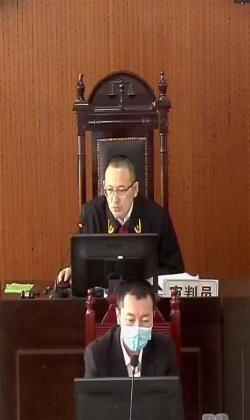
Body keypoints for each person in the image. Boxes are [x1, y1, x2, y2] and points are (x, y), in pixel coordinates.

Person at [56, 155, 185, 284]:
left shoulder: (157, 217)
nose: (114, 199)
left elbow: (175, 270)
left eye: (121, 190)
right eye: (110, 190)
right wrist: (72, 270)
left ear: (135, 189)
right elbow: (80, 262)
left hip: (142, 293)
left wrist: (142, 277)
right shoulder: (90, 214)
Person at [83, 279, 178, 378]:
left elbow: (171, 388)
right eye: (130, 320)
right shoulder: (96, 354)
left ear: (153, 316)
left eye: (145, 320)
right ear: (118, 316)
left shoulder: (165, 349)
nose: (137, 327)